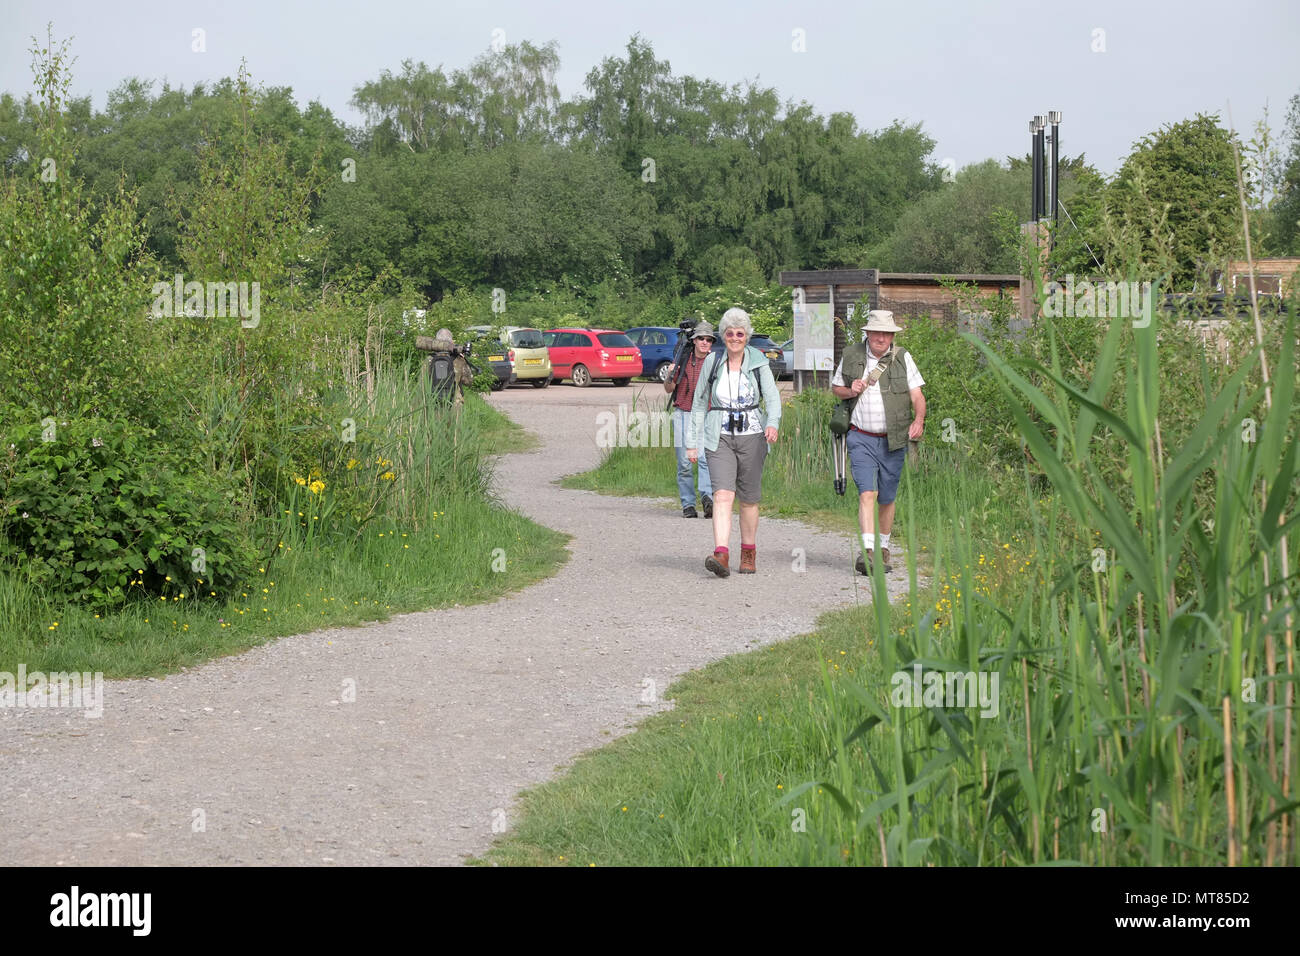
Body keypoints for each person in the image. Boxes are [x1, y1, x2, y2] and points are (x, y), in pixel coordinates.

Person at [829, 310, 926, 574]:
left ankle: (883, 546)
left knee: (887, 497)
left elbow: (916, 394)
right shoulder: (851, 355)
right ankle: (868, 551)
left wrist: (918, 419)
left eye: (886, 333)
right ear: (868, 333)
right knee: (867, 492)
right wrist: (851, 390)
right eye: (876, 332)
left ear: (892, 335)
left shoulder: (903, 358)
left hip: (893, 439)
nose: (881, 338)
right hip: (861, 437)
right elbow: (836, 388)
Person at [686, 308, 781, 577]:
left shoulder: (758, 360)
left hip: (752, 434)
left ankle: (748, 552)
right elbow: (699, 403)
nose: (735, 338)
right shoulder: (712, 362)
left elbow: (772, 398)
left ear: (747, 336)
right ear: (723, 336)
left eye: (740, 333)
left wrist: (772, 423)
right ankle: (721, 554)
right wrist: (692, 442)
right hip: (719, 436)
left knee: (749, 500)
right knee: (722, 495)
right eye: (730, 333)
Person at [666, 321, 716, 518]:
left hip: (707, 415)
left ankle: (707, 499)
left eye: (708, 339)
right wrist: (670, 374)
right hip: (683, 413)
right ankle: (688, 505)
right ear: (694, 341)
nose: (705, 342)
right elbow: (668, 389)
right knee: (685, 463)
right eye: (701, 338)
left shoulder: (715, 362)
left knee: (705, 460)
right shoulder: (683, 360)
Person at [428, 328, 474, 407]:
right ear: (451, 342)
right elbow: (469, 381)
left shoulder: (429, 360)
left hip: (433, 403)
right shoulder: (459, 360)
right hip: (455, 405)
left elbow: (422, 383)